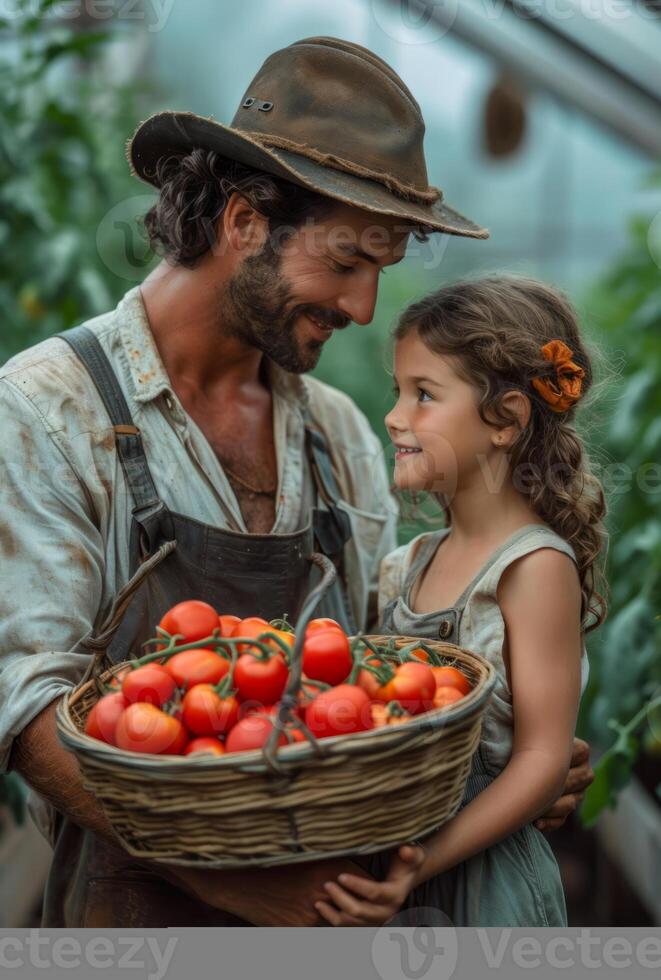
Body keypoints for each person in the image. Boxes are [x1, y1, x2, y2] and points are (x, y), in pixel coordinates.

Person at [0, 35, 593, 928]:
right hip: (134, 915)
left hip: (331, 907)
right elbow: (28, 703)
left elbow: (368, 678)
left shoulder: (337, 434)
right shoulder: (47, 410)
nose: (361, 309)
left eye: (380, 275)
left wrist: (495, 751)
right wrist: (229, 885)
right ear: (243, 223)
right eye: (347, 263)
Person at [314, 275, 606, 927]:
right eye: (398, 391)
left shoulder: (531, 568)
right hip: (396, 869)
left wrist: (422, 861)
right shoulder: (407, 565)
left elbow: (541, 759)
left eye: (423, 394)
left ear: (504, 420)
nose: (394, 416)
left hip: (482, 884)